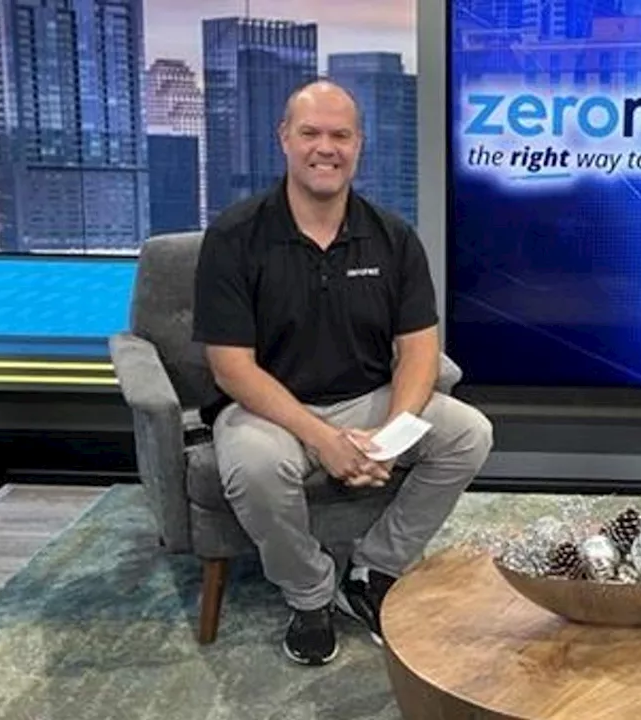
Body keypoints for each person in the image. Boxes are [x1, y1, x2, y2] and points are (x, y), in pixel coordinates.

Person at [191, 80, 493, 666]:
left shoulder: (393, 237)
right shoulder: (234, 236)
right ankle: (309, 594)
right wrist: (323, 439)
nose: (325, 148)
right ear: (284, 138)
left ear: (359, 145)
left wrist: (391, 435)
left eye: (340, 135)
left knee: (469, 433)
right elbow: (231, 368)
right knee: (255, 467)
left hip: (367, 399)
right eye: (310, 133)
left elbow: (420, 351)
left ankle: (373, 570)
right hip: (267, 410)